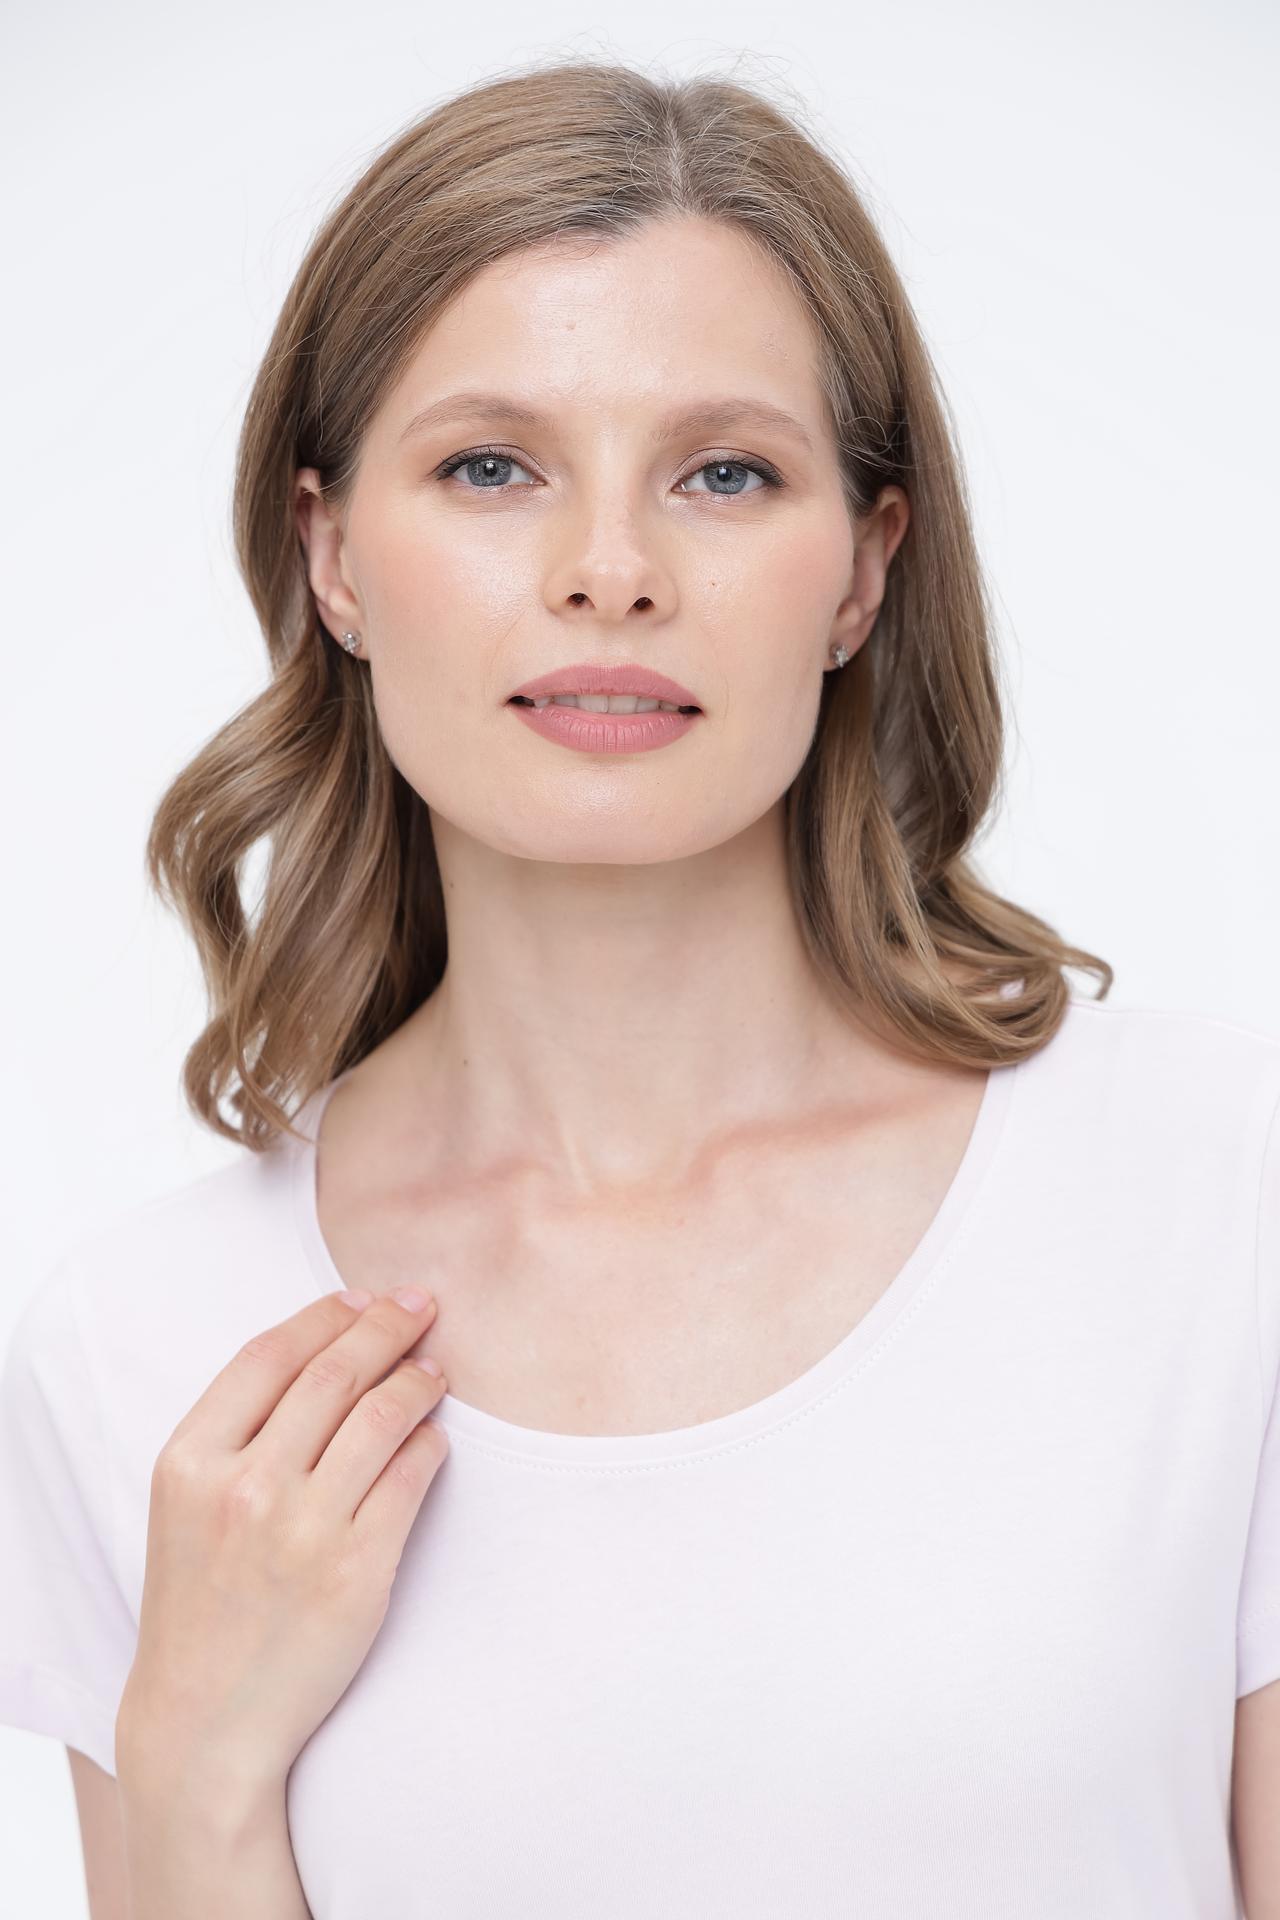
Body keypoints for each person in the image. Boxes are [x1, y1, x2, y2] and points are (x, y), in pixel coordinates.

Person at [1, 54, 1278, 1920]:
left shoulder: (1213, 1195)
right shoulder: (146, 1350)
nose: (610, 572)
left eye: (725, 473)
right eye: (491, 467)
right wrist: (194, 1774)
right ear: (332, 554)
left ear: (862, 573)